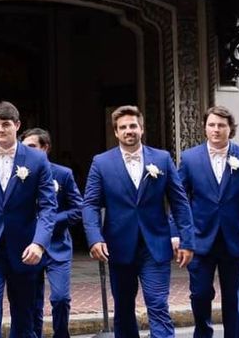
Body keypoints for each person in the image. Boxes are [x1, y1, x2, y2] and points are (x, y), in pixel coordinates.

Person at [82, 105, 194, 338]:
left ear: (141, 129)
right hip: (118, 247)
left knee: (157, 304)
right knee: (123, 309)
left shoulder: (161, 159)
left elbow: (179, 202)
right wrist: (94, 238)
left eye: (133, 126)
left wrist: (187, 240)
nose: (128, 130)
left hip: (155, 246)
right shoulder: (101, 163)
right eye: (123, 127)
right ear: (116, 133)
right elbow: (90, 204)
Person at [0, 103, 56, 338]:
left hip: (25, 250)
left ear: (17, 125)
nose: (0, 130)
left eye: (5, 125)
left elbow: (48, 207)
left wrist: (39, 243)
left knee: (24, 315)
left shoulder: (36, 160)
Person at [176, 106, 239, 338]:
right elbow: (178, 200)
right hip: (200, 240)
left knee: (235, 300)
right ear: (205, 128)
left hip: (236, 240)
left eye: (221, 125)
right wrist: (177, 233)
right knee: (199, 295)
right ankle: (203, 332)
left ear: (230, 129)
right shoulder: (189, 158)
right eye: (212, 125)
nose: (216, 130)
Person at [22, 127, 84, 338]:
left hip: (57, 246)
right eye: (24, 148)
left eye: (32, 147)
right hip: (28, 247)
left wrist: (49, 222)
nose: (27, 152)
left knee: (60, 298)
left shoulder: (63, 174)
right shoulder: (19, 173)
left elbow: (78, 209)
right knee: (32, 303)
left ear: (45, 148)